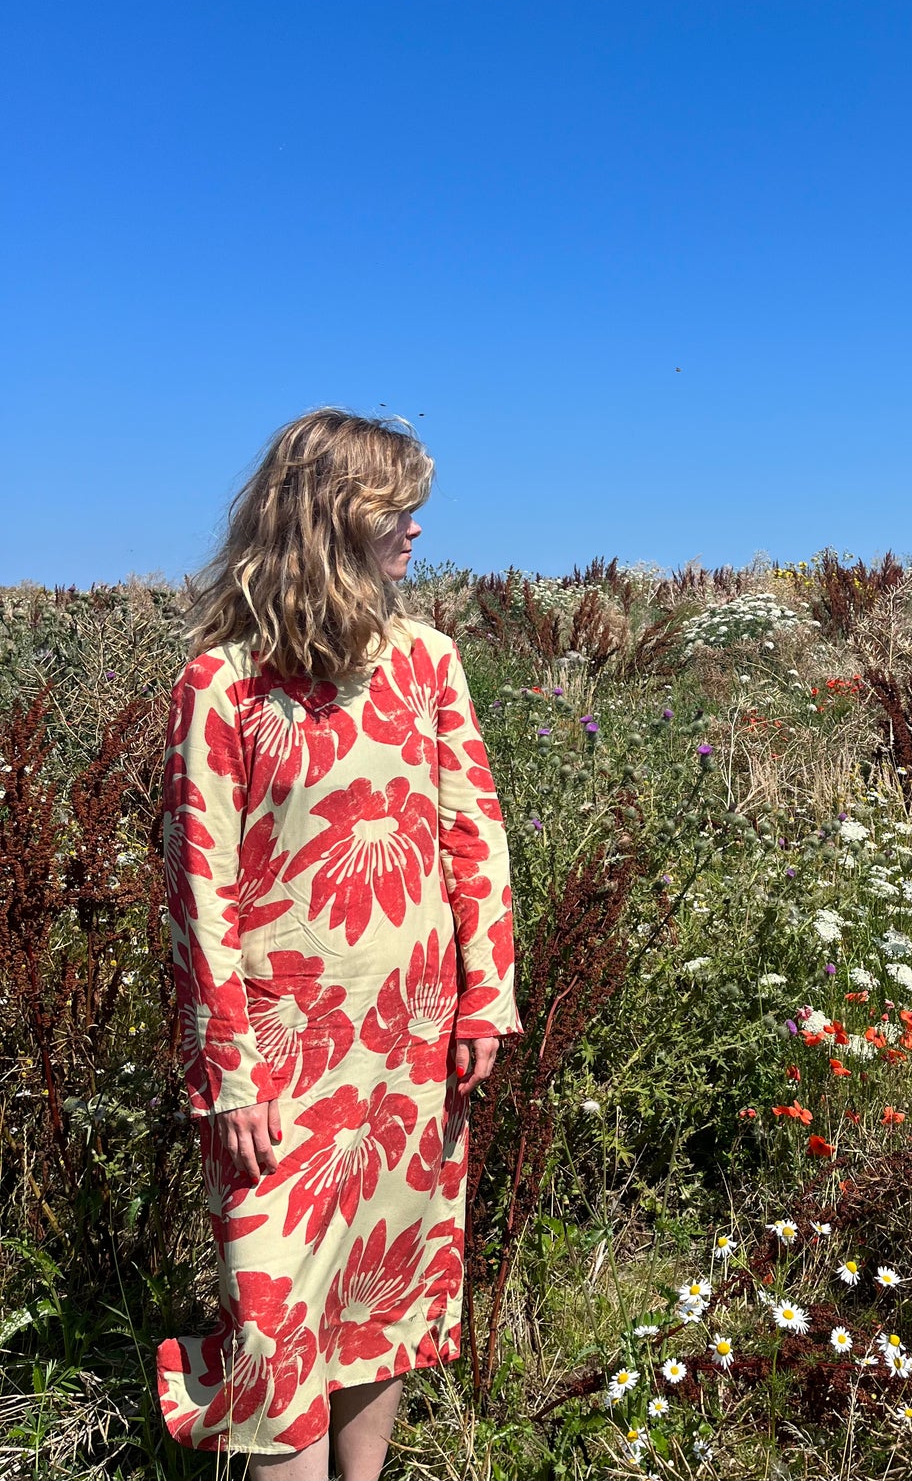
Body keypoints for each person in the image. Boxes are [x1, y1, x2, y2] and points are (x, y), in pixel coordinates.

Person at [156, 409, 518, 1478]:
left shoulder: (427, 662)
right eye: (394, 506)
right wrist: (228, 1072)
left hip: (411, 1044)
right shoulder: (220, 685)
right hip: (277, 1066)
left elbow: (472, 832)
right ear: (325, 514)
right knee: (274, 1325)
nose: (416, 528)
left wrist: (484, 996)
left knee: (380, 1295)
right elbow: (198, 888)